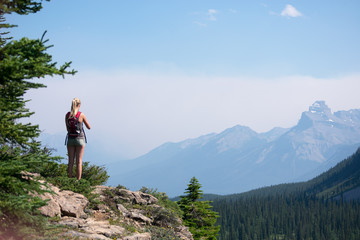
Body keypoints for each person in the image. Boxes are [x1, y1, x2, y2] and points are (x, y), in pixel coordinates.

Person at [65, 98, 91, 180]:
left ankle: (69, 179)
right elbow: (89, 127)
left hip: (70, 139)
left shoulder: (67, 115)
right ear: (79, 105)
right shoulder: (81, 115)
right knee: (79, 162)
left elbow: (67, 129)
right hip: (80, 139)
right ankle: (78, 181)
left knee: (70, 162)